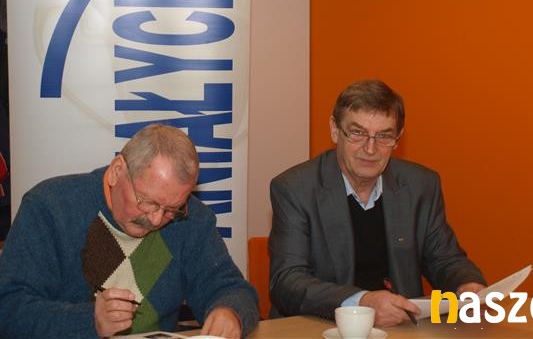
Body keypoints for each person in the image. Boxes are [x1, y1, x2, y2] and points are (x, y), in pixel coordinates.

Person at [0, 123, 258, 338]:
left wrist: (230, 311)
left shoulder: (192, 220)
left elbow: (233, 289)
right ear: (116, 171)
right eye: (148, 202)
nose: (156, 219)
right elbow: (8, 308)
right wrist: (89, 321)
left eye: (172, 209)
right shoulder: (50, 208)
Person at [269, 79, 486, 327]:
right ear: (334, 130)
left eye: (384, 136)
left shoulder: (420, 185)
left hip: (400, 328)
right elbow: (287, 281)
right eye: (358, 133)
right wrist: (361, 303)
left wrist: (467, 284)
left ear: (398, 138)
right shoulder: (295, 189)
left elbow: (445, 259)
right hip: (318, 326)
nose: (370, 149)